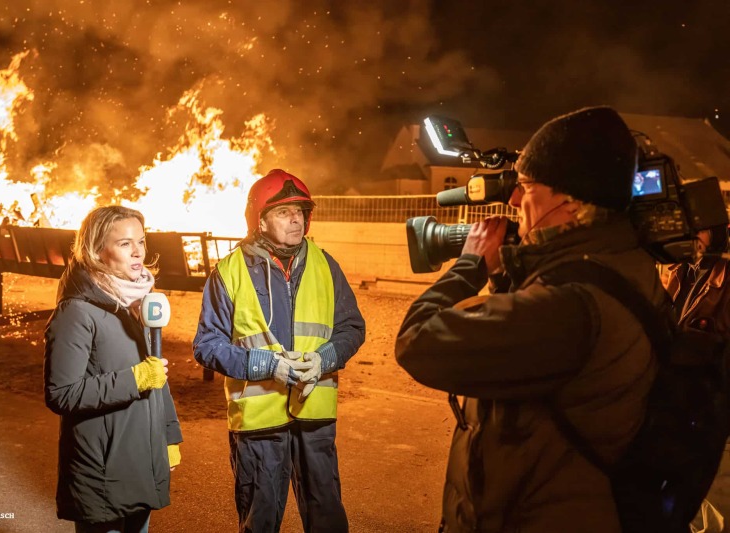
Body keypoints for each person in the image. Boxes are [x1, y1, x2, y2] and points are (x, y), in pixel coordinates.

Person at [395, 106, 668, 532]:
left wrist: (470, 265)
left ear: (572, 203)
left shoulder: (569, 305)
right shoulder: (620, 265)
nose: (517, 201)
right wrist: (512, 273)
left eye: (527, 186)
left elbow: (419, 342)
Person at [192, 169, 365, 533]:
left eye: (301, 211)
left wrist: (325, 359)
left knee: (327, 517)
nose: (296, 219)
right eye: (285, 212)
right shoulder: (229, 272)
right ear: (260, 220)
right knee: (260, 521)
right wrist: (265, 364)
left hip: (314, 416)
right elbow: (207, 346)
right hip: (258, 423)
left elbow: (352, 328)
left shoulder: (325, 264)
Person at [44, 205, 183, 533]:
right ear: (96, 251)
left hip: (140, 459)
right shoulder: (77, 312)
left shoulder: (137, 304)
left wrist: (169, 435)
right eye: (125, 244)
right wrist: (135, 379)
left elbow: (156, 377)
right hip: (102, 467)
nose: (138, 252)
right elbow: (61, 393)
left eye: (142, 241)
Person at [664, 225, 730, 533]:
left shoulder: (724, 277)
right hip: (670, 397)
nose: (692, 236)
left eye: (699, 230)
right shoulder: (676, 269)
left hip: (705, 403)